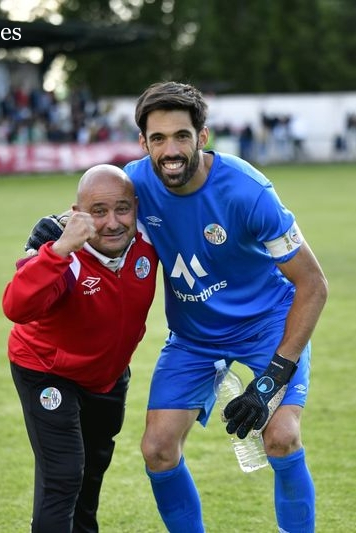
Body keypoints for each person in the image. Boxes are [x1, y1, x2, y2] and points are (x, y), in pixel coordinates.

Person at [27, 82, 328, 532]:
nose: (170, 150)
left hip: (266, 325)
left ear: (202, 137)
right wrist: (54, 224)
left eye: (181, 136)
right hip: (194, 338)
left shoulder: (249, 192)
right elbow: (103, 207)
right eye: (159, 139)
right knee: (158, 449)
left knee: (281, 438)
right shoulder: (139, 182)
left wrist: (271, 382)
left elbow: (314, 284)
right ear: (144, 143)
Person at [4, 164, 158, 532]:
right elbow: (16, 307)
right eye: (98, 212)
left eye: (122, 208)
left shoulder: (148, 242)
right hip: (46, 370)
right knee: (65, 474)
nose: (112, 222)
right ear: (77, 215)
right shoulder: (65, 257)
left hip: (107, 377)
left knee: (92, 471)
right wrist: (55, 252)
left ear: (136, 207)